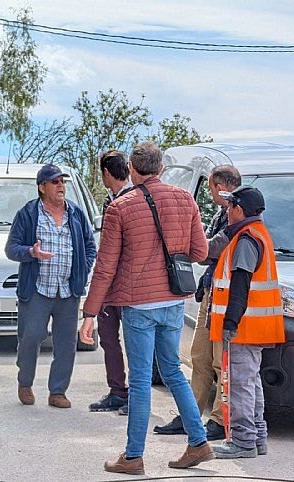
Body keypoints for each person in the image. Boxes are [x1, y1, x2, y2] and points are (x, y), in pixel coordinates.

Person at [79, 141, 213, 475]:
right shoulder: (186, 200)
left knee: (139, 381)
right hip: (172, 301)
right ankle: (198, 442)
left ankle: (134, 456)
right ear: (161, 168)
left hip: (138, 305)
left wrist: (90, 312)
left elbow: (106, 265)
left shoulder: (120, 208)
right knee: (171, 371)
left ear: (133, 170)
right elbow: (200, 252)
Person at [155, 166, 241, 440]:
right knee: (199, 357)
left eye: (211, 187)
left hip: (226, 297)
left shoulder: (238, 215)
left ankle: (219, 420)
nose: (210, 193)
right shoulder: (222, 214)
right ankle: (191, 415)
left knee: (219, 363)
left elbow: (212, 250)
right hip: (212, 292)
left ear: (220, 186)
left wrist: (187, 244)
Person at [5, 164, 96, 409]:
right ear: (42, 187)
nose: (60, 186)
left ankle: (57, 391)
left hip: (68, 289)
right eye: (54, 182)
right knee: (30, 337)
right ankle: (25, 382)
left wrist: (82, 268)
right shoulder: (28, 214)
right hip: (37, 289)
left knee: (66, 343)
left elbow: (90, 247)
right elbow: (11, 249)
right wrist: (30, 252)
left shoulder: (76, 214)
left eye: (62, 182)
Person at [208, 186, 285, 459]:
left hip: (243, 326)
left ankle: (242, 442)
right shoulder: (256, 234)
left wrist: (230, 322)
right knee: (250, 382)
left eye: (229, 207)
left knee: (240, 384)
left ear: (238, 209)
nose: (226, 211)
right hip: (255, 326)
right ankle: (256, 438)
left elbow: (240, 284)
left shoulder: (246, 240)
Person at [88, 150, 133, 415]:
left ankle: (136, 396)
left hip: (129, 282)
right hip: (109, 281)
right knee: (108, 337)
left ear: (106, 173)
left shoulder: (134, 199)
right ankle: (118, 391)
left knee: (135, 340)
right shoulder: (110, 201)